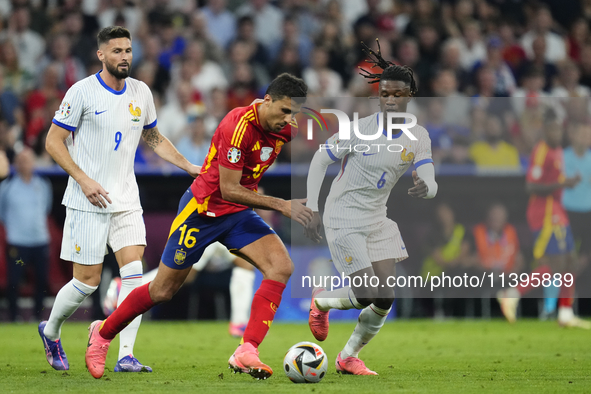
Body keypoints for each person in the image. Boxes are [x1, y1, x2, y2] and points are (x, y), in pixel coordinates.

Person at [84, 73, 311, 380]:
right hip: (203, 210)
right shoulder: (237, 125)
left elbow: (243, 188)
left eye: (294, 113)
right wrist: (283, 204)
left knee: (281, 266)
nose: (289, 120)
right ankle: (102, 333)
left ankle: (247, 350)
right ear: (267, 100)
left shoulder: (286, 130)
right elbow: (228, 189)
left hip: (238, 213)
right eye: (284, 110)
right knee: (163, 290)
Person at [38, 26, 200, 372]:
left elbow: (153, 138)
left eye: (128, 50)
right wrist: (83, 179)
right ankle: (51, 331)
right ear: (101, 55)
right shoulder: (81, 92)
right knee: (86, 283)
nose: (124, 56)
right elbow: (53, 141)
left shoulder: (140, 92)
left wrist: (187, 165)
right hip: (88, 200)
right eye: (117, 51)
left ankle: (125, 354)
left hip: (126, 198)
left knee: (134, 276)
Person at [305, 42, 437, 375]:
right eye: (385, 94)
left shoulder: (418, 135)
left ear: (410, 96)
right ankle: (321, 300)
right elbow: (321, 159)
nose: (391, 100)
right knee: (365, 293)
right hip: (343, 216)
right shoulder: (358, 130)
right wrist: (312, 206)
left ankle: (348, 356)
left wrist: (428, 187)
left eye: (398, 95)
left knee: (386, 296)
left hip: (377, 218)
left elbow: (429, 176)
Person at [497, 109, 590, 329]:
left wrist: (566, 181)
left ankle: (566, 313)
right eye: (552, 128)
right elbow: (531, 186)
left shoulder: (557, 150)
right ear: (545, 129)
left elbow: (553, 178)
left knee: (571, 262)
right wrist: (563, 184)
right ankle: (512, 293)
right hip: (545, 212)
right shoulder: (542, 151)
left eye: (559, 128)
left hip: (556, 210)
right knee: (557, 265)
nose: (557, 132)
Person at [0, 147, 52, 321]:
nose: (25, 164)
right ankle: (14, 316)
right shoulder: (7, 187)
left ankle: (38, 317)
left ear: (33, 163)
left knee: (41, 281)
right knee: (14, 281)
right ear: (16, 164)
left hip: (40, 241)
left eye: (28, 160)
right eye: (21, 161)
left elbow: (46, 208)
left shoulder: (43, 185)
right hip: (17, 243)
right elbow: (2, 214)